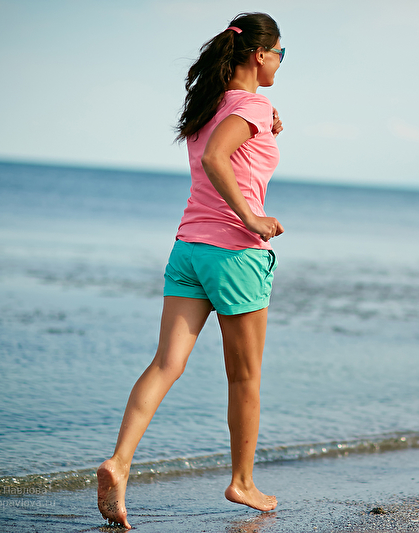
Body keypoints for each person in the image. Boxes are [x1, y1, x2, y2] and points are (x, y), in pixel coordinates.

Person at [97, 12, 286, 528]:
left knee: (165, 364)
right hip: (234, 254)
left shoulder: (211, 106)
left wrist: (267, 121)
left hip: (188, 248)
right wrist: (252, 218)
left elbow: (224, 148)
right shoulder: (250, 106)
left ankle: (119, 462)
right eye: (280, 54)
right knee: (245, 376)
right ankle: (242, 482)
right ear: (259, 55)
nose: (281, 63)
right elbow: (217, 159)